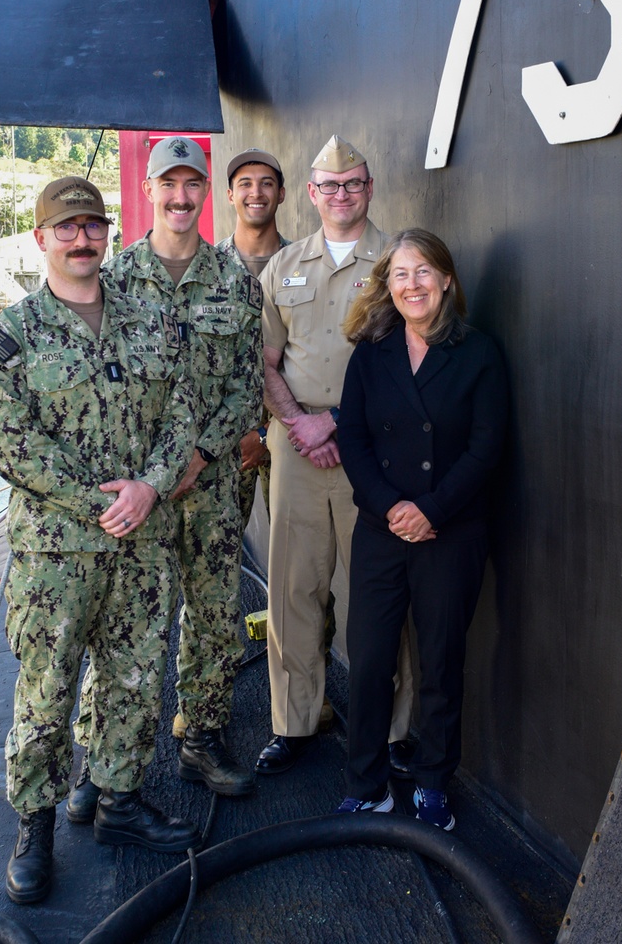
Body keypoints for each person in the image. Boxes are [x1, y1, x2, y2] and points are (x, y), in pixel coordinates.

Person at [0, 175, 200, 907]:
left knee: (135, 681)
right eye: (65, 228)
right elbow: (14, 448)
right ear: (41, 239)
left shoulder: (151, 320)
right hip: (57, 557)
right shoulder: (11, 338)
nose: (81, 240)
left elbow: (183, 411)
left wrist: (150, 487)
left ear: (107, 235)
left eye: (92, 227)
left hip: (142, 543)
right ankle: (35, 823)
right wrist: (99, 502)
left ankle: (119, 803)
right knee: (46, 696)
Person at [67, 136, 262, 809]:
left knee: (212, 615)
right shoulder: (113, 282)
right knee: (121, 625)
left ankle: (202, 741)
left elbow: (244, 386)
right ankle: (99, 758)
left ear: (206, 192)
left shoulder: (235, 280)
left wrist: (200, 456)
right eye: (168, 185)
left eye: (192, 186)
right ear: (149, 191)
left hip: (206, 487)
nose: (181, 198)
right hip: (139, 492)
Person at [334, 229, 508, 828]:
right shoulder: (371, 351)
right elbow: (353, 441)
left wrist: (431, 509)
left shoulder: (479, 352)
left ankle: (433, 781)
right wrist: (391, 509)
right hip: (382, 528)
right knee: (371, 654)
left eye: (423, 273)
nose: (412, 285)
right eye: (401, 275)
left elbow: (487, 449)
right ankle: (366, 783)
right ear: (389, 285)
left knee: (439, 659)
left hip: (450, 531)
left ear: (447, 281)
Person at [255, 135, 413, 775]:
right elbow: (264, 361)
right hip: (296, 449)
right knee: (293, 588)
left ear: (369, 189)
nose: (341, 195)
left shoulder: (398, 262)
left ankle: (397, 733)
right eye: (329, 185)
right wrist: (298, 423)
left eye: (353, 184)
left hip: (371, 449)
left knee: (376, 596)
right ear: (313, 193)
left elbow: (410, 365)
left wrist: (337, 424)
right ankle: (294, 725)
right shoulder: (283, 267)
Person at [216, 148, 290, 527]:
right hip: (225, 445)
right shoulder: (207, 271)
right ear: (230, 194)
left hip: (294, 438)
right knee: (216, 562)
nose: (255, 193)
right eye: (244, 184)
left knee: (301, 565)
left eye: (266, 184)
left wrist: (266, 434)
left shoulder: (304, 265)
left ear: (282, 193)